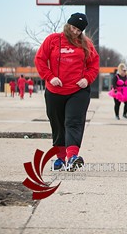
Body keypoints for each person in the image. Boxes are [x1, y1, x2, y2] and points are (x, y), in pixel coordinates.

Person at [34, 12, 99, 171]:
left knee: (73, 122)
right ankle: (60, 159)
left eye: (79, 30)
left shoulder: (86, 44)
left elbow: (94, 64)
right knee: (58, 124)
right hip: (55, 90)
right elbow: (40, 60)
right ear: (68, 25)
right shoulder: (53, 40)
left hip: (78, 91)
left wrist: (87, 79)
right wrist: (49, 77)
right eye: (74, 28)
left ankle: (72, 158)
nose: (76, 32)